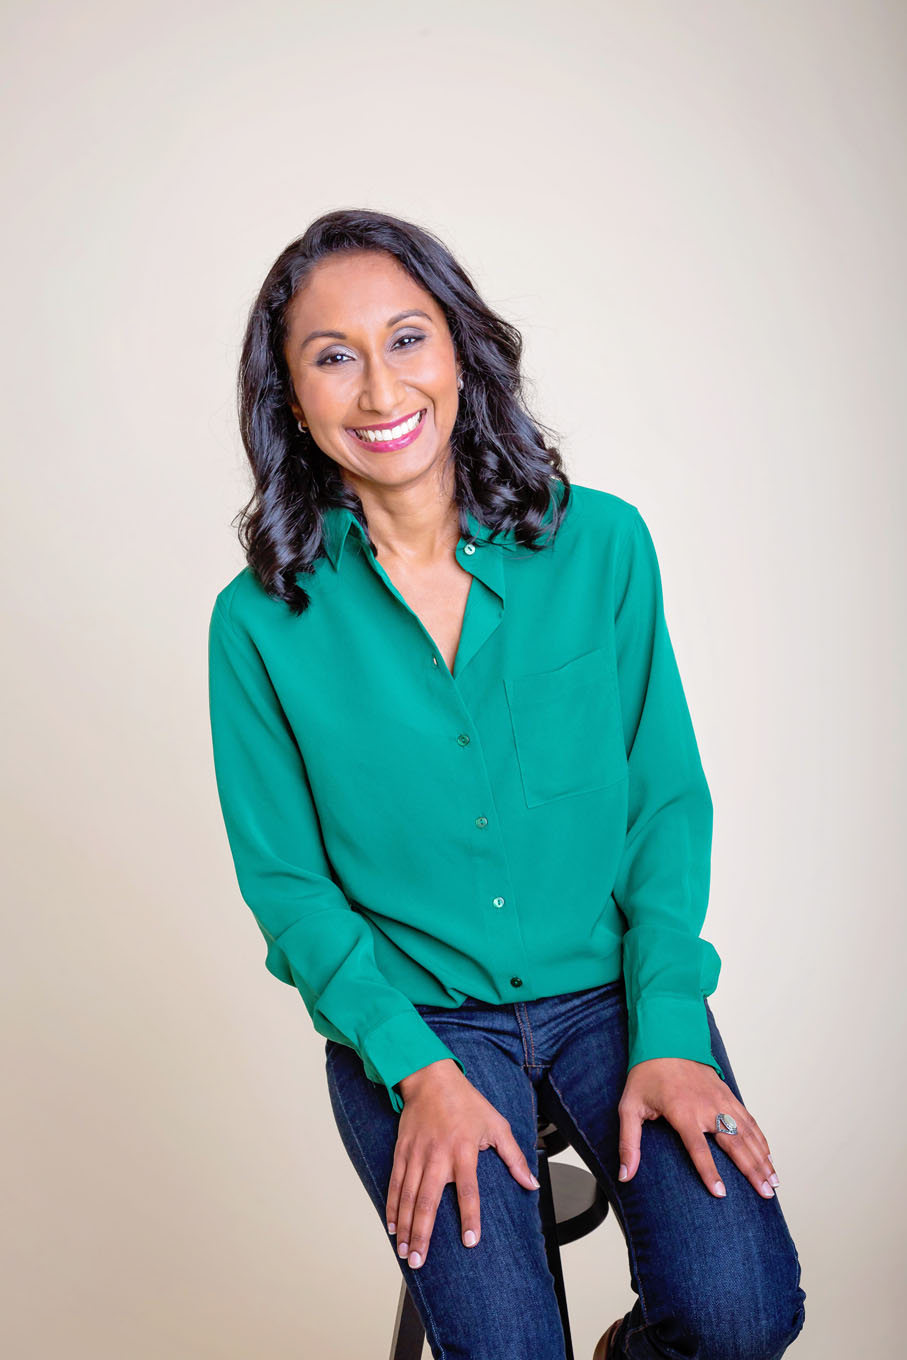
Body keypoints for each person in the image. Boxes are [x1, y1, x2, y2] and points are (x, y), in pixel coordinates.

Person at [207, 208, 806, 1360]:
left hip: (610, 992)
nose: (380, 388)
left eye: (406, 339)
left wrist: (671, 1020)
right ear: (288, 396)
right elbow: (286, 883)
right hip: (419, 1013)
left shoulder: (604, 547)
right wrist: (413, 1064)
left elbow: (665, 802)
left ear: (462, 350)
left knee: (741, 1314)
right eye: (332, 355)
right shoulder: (257, 623)